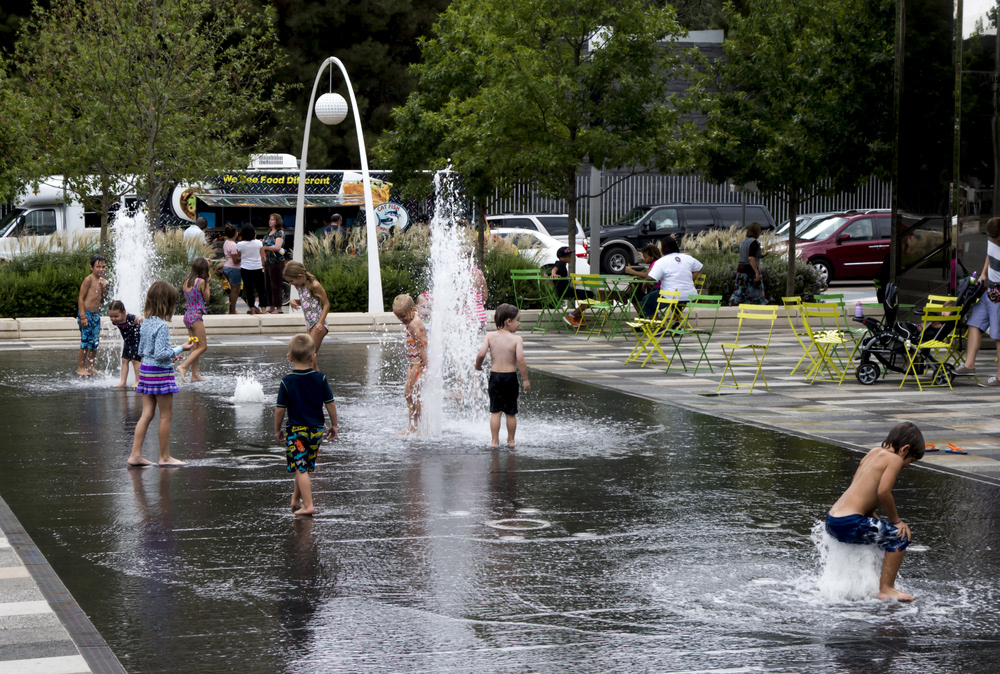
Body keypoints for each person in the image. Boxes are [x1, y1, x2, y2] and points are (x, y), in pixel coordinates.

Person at [825, 422, 925, 602]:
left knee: (882, 537)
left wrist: (881, 522)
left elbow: (862, 493)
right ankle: (886, 589)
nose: (908, 466)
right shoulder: (894, 459)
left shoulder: (873, 453)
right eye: (911, 461)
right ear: (904, 449)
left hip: (833, 520)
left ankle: (860, 584)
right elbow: (883, 492)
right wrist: (896, 521)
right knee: (900, 537)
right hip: (849, 522)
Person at [128, 281, 194, 467]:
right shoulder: (162, 326)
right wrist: (180, 348)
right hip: (159, 373)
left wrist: (168, 358)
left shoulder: (146, 323)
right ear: (166, 303)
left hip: (146, 371)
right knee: (166, 415)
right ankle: (164, 457)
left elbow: (143, 350)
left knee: (146, 414)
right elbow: (161, 353)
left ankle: (135, 454)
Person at [274, 334, 338, 516]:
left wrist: (277, 429)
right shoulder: (320, 378)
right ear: (313, 356)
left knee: (300, 467)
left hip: (296, 431)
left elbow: (280, 409)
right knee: (302, 465)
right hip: (316, 430)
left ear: (289, 357)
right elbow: (330, 403)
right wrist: (335, 425)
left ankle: (308, 505)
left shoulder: (287, 382)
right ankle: (296, 498)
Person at [474, 303, 530, 447]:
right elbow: (520, 360)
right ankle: (511, 440)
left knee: (495, 411)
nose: (519, 324)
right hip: (510, 377)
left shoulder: (490, 336)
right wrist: (525, 379)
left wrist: (478, 366)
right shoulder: (517, 339)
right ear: (508, 321)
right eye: (517, 320)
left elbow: (481, 354)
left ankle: (494, 440)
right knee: (511, 412)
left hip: (495, 377)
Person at [953, 217, 1000, 385]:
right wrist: (984, 273)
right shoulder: (991, 239)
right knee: (974, 323)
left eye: (996, 238)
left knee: (998, 336)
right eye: (992, 238)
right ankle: (969, 365)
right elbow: (989, 254)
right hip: (989, 291)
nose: (994, 241)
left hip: (999, 294)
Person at [392, 294, 428, 434]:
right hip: (413, 363)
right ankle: (412, 426)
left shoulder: (413, 325)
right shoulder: (412, 317)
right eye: (398, 317)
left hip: (418, 363)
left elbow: (421, 348)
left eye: (403, 316)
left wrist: (425, 366)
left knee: (414, 394)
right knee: (408, 394)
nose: (401, 320)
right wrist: (406, 297)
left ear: (412, 310)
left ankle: (420, 427)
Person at [285, 261, 330, 354]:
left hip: (318, 325)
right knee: (310, 358)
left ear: (300, 276)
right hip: (309, 324)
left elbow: (326, 304)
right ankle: (315, 369)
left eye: (291, 281)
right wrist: (293, 301)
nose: (290, 284)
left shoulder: (315, 285)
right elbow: (306, 301)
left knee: (309, 355)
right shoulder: (299, 286)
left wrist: (320, 323)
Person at [177, 257, 210, 382]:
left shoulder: (186, 280)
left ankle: (194, 375)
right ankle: (183, 366)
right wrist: (208, 282)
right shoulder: (201, 281)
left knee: (195, 346)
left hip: (187, 317)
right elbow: (206, 298)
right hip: (196, 318)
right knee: (203, 347)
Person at [76, 254, 109, 376]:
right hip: (87, 314)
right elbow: (81, 297)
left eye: (103, 267)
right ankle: (81, 367)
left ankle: (90, 366)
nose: (101, 269)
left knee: (94, 342)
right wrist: (83, 316)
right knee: (85, 341)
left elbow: (102, 300)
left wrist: (104, 289)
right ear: (91, 267)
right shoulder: (88, 280)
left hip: (96, 315)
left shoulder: (102, 281)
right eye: (98, 267)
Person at [651, 235, 702, 306]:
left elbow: (652, 277)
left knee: (646, 301)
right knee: (675, 300)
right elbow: (699, 267)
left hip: (670, 297)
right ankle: (676, 317)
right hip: (691, 297)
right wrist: (691, 277)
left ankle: (656, 317)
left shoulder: (661, 261)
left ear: (662, 248)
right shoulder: (687, 258)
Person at [729, 221, 767, 306]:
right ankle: (758, 304)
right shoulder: (754, 242)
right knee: (757, 290)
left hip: (741, 269)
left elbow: (747, 254)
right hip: (750, 270)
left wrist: (760, 255)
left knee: (740, 289)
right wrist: (756, 271)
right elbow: (750, 258)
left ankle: (734, 302)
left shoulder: (743, 242)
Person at [108, 300, 143, 388]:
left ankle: (138, 381)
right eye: (111, 316)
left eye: (116, 316)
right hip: (127, 342)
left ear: (124, 312)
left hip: (137, 342)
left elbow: (143, 320)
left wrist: (138, 322)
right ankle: (123, 381)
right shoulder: (115, 321)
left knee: (135, 361)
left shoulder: (130, 318)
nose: (113, 319)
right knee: (124, 360)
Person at [624, 244, 664, 317]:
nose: (643, 259)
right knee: (634, 296)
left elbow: (647, 275)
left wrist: (632, 272)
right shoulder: (653, 264)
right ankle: (642, 315)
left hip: (656, 289)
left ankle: (624, 297)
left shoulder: (656, 263)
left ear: (652, 257)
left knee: (635, 288)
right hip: (652, 287)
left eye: (645, 257)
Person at [238, 224, 265, 315]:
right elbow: (262, 256)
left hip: (245, 268)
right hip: (257, 267)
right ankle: (264, 309)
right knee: (261, 289)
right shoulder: (258, 243)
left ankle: (252, 309)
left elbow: (239, 256)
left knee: (249, 290)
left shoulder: (240, 244)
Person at [261, 213, 286, 314]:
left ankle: (278, 307)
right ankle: (270, 305)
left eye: (272, 220)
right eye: (270, 219)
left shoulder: (280, 233)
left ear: (277, 221)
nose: (270, 221)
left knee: (276, 284)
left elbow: (277, 247)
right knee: (268, 284)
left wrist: (265, 247)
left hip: (276, 262)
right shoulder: (268, 233)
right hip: (268, 262)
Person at [220, 223, 242, 314]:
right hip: (234, 268)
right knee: (235, 290)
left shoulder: (226, 242)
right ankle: (232, 310)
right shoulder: (233, 245)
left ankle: (232, 309)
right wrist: (243, 255)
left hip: (227, 267)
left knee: (233, 289)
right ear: (235, 233)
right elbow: (235, 260)